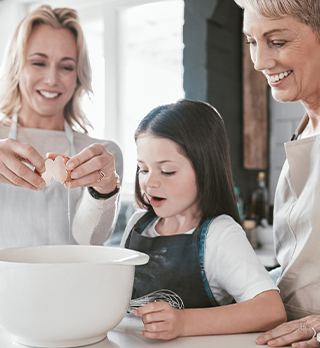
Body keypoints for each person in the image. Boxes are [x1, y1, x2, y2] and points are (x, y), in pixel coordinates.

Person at [120, 99, 286, 340]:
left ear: (205, 169)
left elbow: (271, 310)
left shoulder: (220, 234)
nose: (150, 182)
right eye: (143, 169)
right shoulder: (137, 224)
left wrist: (184, 322)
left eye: (167, 171)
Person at [233, 0, 320, 347]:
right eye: (252, 42)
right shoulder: (305, 131)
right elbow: (298, 269)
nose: (259, 62)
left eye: (278, 42)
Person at [0, 5, 123, 248]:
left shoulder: (101, 155)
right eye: (38, 63)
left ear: (78, 77)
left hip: (70, 284)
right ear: (17, 67)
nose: (52, 79)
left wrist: (105, 190)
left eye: (66, 66)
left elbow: (90, 240)